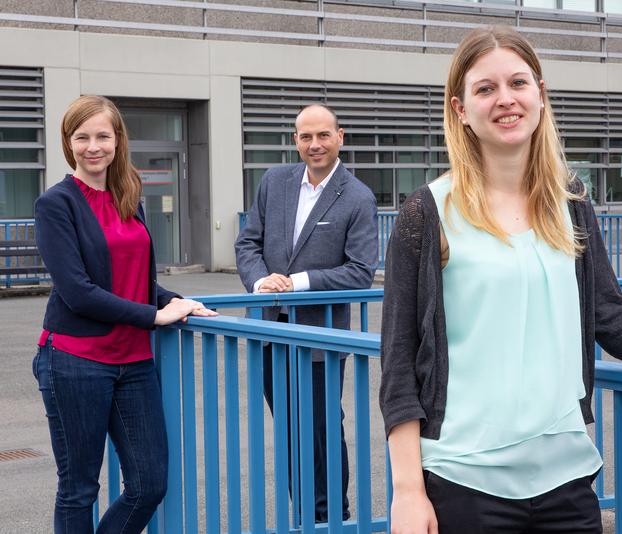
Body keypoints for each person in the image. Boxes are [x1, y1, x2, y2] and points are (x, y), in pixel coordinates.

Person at [378, 27, 622, 534]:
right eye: (485, 88)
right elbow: (399, 360)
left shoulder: (571, 203)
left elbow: (610, 316)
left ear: (540, 94)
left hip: (568, 481)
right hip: (463, 481)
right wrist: (407, 490)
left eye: (518, 82)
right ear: (460, 109)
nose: (505, 99)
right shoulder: (427, 212)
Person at [32, 95, 217, 534]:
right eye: (82, 137)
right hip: (75, 361)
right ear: (68, 142)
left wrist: (176, 301)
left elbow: (134, 281)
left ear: (118, 140)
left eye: (103, 136)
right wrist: (154, 318)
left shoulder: (128, 196)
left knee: (149, 482)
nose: (93, 146)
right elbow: (78, 292)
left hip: (132, 362)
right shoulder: (56, 204)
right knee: (78, 488)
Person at [235, 104, 378, 522]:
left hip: (320, 338)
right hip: (269, 332)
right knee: (291, 431)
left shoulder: (357, 197)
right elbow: (248, 244)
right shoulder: (274, 181)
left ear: (340, 136)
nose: (314, 144)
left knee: (319, 430)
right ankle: (306, 518)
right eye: (305, 136)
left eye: (323, 135)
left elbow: (359, 271)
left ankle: (331, 517)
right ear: (295, 139)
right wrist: (262, 282)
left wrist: (295, 282)